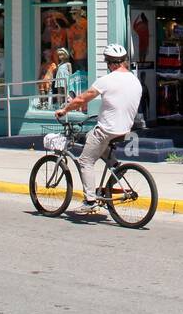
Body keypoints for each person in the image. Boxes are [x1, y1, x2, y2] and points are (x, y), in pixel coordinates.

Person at [54, 43, 140, 216]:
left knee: (85, 160)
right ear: (123, 61)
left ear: (110, 63)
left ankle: (90, 201)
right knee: (95, 143)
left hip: (107, 129)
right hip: (124, 129)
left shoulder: (106, 80)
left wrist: (64, 110)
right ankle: (116, 167)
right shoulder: (134, 79)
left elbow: (82, 98)